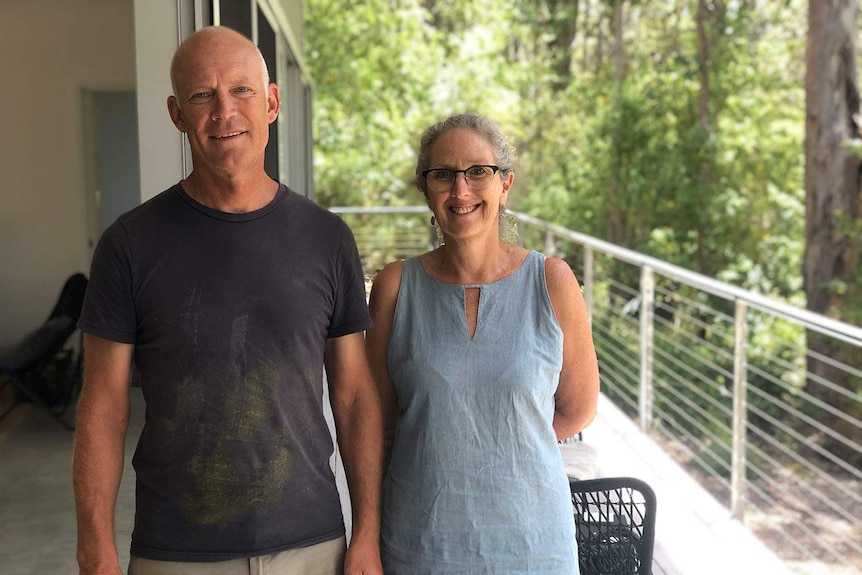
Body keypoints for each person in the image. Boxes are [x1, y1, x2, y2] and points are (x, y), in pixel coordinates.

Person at [72, 26, 383, 575]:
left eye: (241, 90)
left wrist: (367, 535)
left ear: (272, 102)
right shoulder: (129, 244)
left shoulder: (326, 238)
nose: (224, 111)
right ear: (176, 114)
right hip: (176, 551)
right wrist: (94, 548)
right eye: (201, 95)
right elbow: (103, 406)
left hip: (313, 544)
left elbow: (355, 395)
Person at [366, 113, 600, 574]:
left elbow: (577, 408)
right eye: (443, 175)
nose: (461, 190)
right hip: (419, 547)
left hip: (534, 547)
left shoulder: (552, 281)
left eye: (478, 172)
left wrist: (500, 440)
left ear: (505, 184)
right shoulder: (396, 287)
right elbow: (376, 424)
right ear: (426, 190)